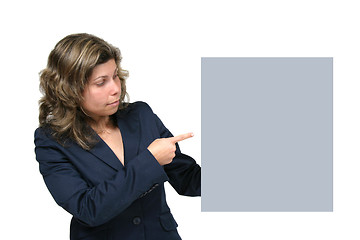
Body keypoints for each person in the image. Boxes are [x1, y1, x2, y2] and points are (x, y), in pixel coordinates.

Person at [34, 33, 201, 240]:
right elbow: (88, 210)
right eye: (101, 82)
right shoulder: (51, 140)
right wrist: (149, 161)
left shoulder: (141, 115)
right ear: (71, 90)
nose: (115, 88)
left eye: (114, 76)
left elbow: (187, 179)